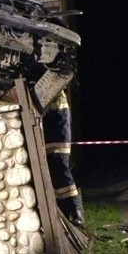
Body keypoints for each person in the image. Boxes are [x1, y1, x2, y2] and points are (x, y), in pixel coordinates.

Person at [42, 90, 84, 226]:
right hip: (54, 132)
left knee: (61, 171)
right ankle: (67, 213)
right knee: (57, 174)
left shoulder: (54, 93)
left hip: (57, 130)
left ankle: (75, 212)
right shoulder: (56, 95)